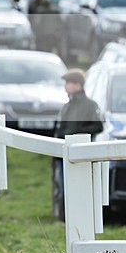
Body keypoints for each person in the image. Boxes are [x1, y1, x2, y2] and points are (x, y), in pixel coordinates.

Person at [51, 68, 104, 220]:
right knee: (62, 186)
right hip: (62, 152)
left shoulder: (89, 105)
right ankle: (63, 218)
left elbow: (98, 126)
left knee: (77, 187)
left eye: (68, 82)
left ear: (78, 85)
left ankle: (78, 217)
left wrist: (78, 133)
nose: (65, 86)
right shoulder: (67, 106)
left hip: (80, 152)